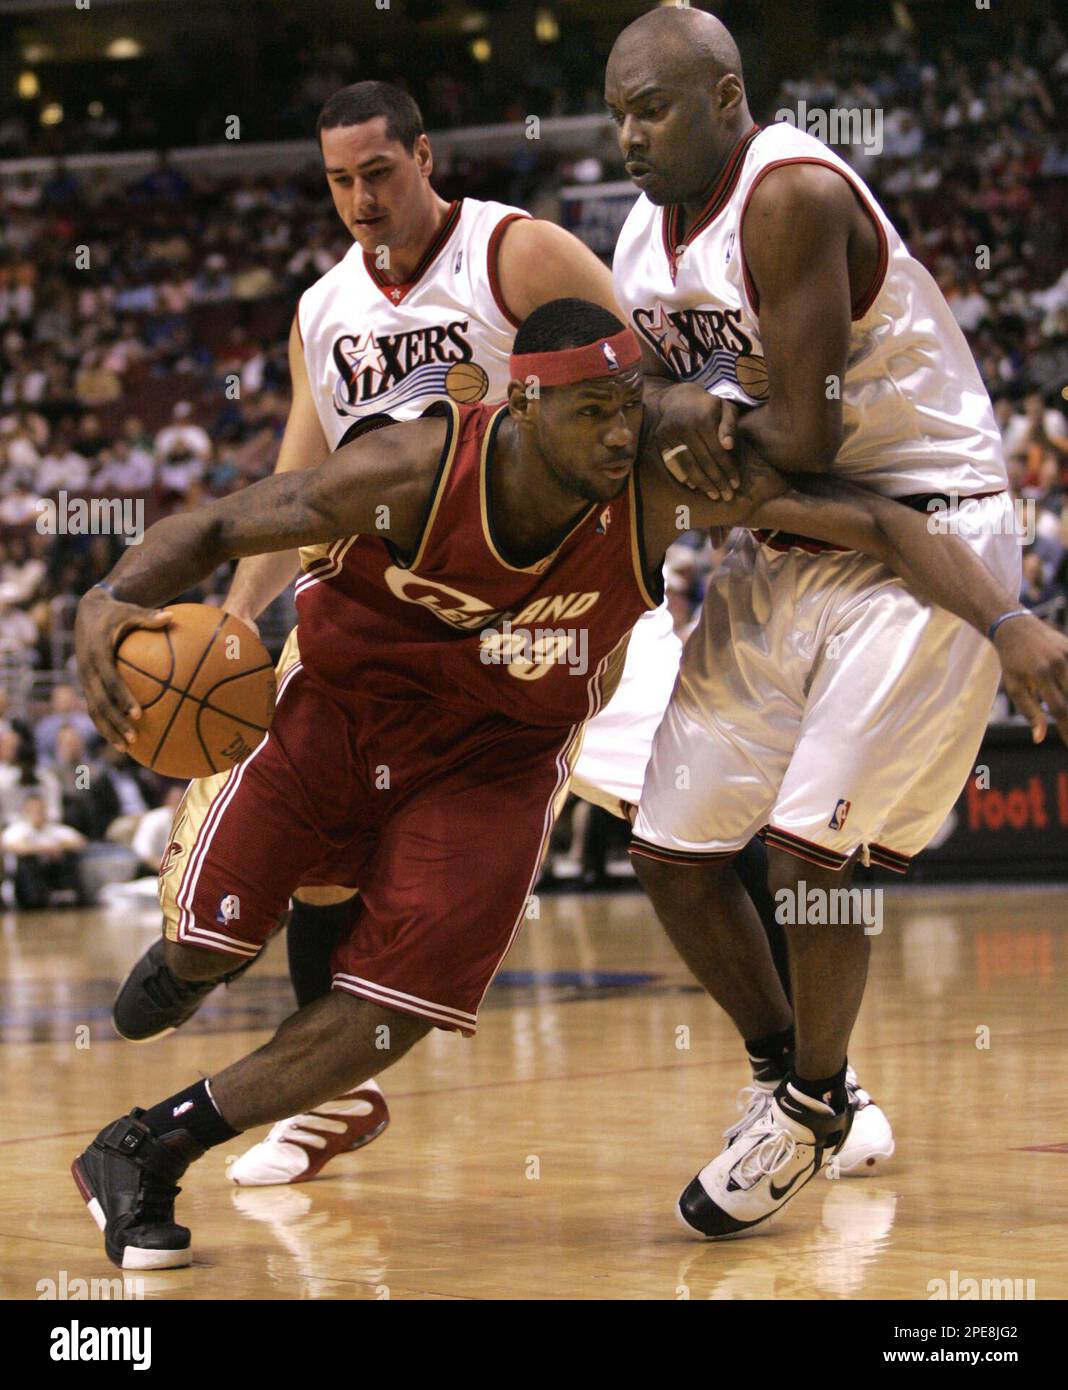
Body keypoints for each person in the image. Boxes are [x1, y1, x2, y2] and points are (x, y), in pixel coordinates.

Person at [70, 299, 1068, 1269]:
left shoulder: (655, 488)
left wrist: (1005, 621)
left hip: (493, 761)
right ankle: (198, 958)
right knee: (200, 949)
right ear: (523, 406)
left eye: (628, 407)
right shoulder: (411, 469)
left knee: (399, 1003)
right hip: (337, 717)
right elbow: (215, 528)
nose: (617, 434)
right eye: (592, 412)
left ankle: (149, 1146)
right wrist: (108, 602)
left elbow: (884, 525)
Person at [107, 80, 793, 1189]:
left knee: (695, 822)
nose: (361, 198)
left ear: (425, 158)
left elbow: (643, 390)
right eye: (338, 180)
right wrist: (237, 623)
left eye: (379, 172)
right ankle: (335, 1091)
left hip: (563, 606)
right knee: (328, 857)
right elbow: (297, 482)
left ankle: (806, 1079)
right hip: (403, 614)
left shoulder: (514, 257)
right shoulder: (323, 312)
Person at [604, 7, 1068, 1238]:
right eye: (615, 114)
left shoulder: (790, 194)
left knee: (813, 853)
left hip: (924, 521)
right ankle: (795, 1074)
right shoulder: (642, 235)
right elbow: (639, 395)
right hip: (784, 534)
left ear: (725, 96)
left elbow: (803, 436)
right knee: (672, 847)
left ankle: (809, 1106)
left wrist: (683, 422)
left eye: (651, 107)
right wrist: (676, 410)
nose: (628, 136)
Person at [1, 791, 86, 910]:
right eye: (33, 809)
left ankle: (68, 895)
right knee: (28, 862)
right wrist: (42, 849)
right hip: (27, 879)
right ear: (25, 810)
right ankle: (36, 899)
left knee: (69, 858)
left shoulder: (53, 829)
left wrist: (57, 848)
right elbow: (10, 846)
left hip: (54, 871)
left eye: (40, 809)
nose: (37, 813)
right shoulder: (17, 830)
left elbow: (79, 841)